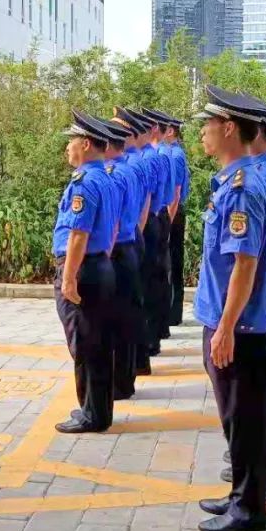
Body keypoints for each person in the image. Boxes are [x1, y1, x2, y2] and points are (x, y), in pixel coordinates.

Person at [193, 85, 266, 531]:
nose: (202, 133)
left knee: (244, 418)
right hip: (228, 320)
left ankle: (249, 509)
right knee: (236, 416)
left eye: (207, 125)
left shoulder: (243, 190)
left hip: (238, 326)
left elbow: (246, 264)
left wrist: (225, 328)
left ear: (229, 128)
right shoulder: (232, 183)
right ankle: (239, 496)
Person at [52, 111, 118, 434]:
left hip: (83, 268)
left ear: (87, 143)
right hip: (99, 266)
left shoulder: (85, 183)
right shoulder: (106, 177)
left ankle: (92, 413)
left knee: (86, 344)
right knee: (99, 343)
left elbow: (79, 234)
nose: (68, 148)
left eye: (72, 142)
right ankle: (97, 410)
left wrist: (68, 277)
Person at [100, 118, 146, 402]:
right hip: (130, 245)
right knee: (126, 318)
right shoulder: (129, 169)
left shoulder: (114, 174)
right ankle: (125, 380)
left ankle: (118, 384)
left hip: (117, 250)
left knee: (114, 322)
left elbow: (112, 222)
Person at [117, 107, 158, 376]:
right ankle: (139, 361)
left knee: (128, 308)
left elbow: (145, 203)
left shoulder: (131, 165)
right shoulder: (138, 161)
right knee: (135, 302)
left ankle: (133, 365)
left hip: (130, 238)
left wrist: (137, 233)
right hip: (136, 236)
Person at [138, 109, 174, 357]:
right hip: (154, 219)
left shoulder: (149, 158)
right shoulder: (153, 156)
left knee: (149, 282)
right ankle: (155, 333)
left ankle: (151, 338)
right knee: (155, 278)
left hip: (150, 220)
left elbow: (147, 201)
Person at [160, 115, 190, 327]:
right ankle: (168, 311)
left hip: (174, 213)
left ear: (171, 131)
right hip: (169, 211)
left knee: (173, 262)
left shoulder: (176, 154)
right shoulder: (169, 152)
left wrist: (167, 225)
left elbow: (176, 193)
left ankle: (173, 312)